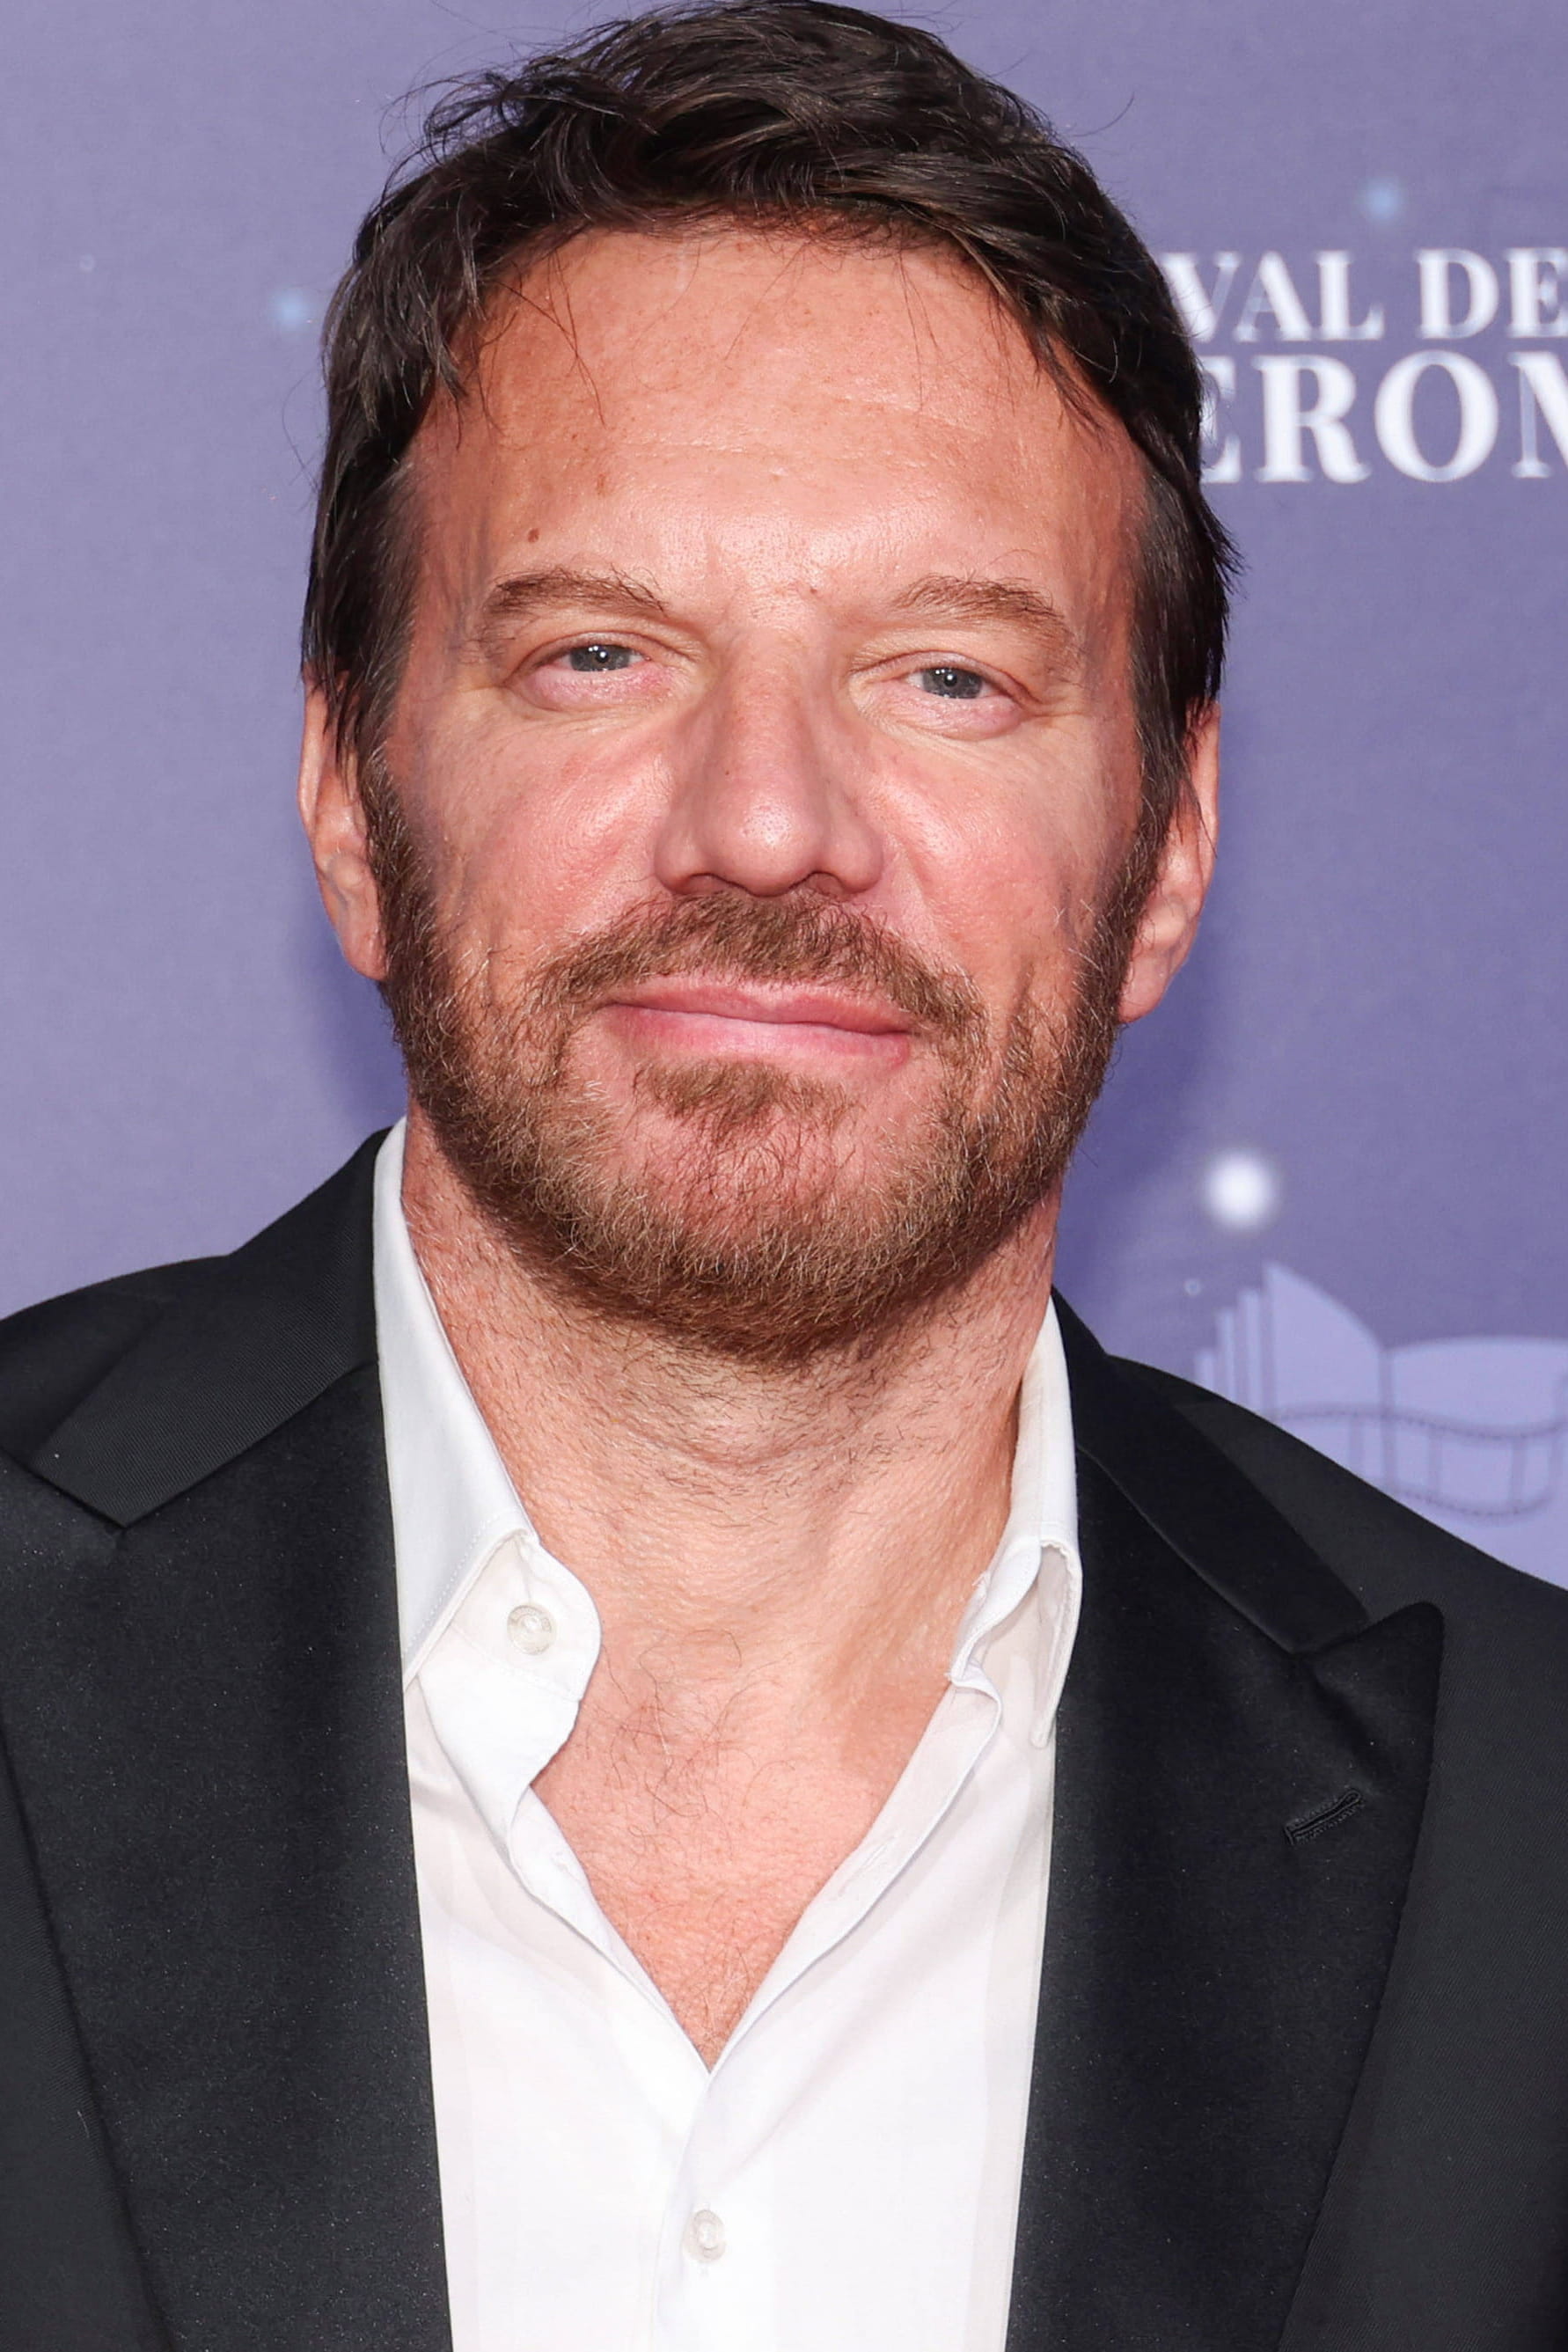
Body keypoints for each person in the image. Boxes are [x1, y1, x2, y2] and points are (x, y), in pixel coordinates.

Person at [2, 4, 1565, 2346]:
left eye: (947, 678)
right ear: (348, 795)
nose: (763, 824)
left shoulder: (1531, 1846)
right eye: (601, 653)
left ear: (1168, 850)